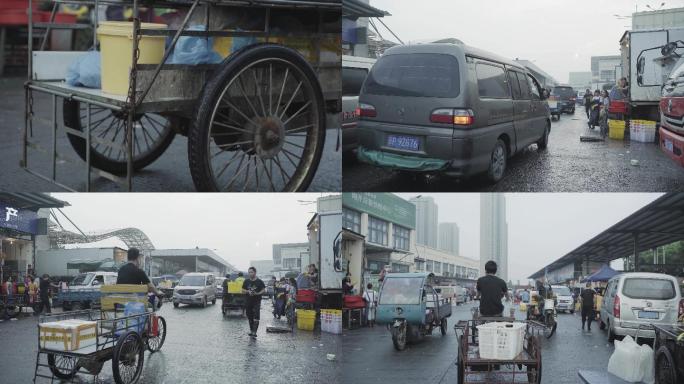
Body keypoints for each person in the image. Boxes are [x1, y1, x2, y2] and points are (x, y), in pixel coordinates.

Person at [242, 267, 266, 338]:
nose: (250, 274)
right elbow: (242, 290)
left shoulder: (259, 281)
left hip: (257, 301)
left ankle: (254, 332)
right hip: (248, 301)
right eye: (249, 272)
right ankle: (251, 330)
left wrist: (257, 293)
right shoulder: (246, 281)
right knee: (249, 316)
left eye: (251, 272)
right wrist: (247, 291)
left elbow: (264, 290)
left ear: (255, 272)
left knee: (256, 316)